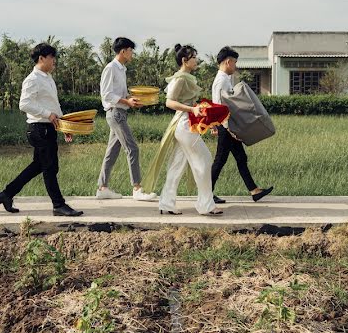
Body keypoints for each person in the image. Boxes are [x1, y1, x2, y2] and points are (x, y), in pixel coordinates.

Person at [0, 42, 83, 217]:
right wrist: (47, 114)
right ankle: (58, 205)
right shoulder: (32, 80)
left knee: (38, 166)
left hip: (48, 128)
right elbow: (24, 104)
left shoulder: (48, 78)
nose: (54, 61)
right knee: (50, 167)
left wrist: (65, 125)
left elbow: (54, 105)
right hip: (38, 129)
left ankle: (6, 194)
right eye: (52, 57)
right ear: (41, 58)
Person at [142, 44, 222, 216]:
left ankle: (166, 203)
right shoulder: (180, 78)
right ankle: (206, 204)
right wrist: (192, 110)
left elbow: (190, 105)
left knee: (177, 165)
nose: (196, 60)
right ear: (185, 60)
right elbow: (169, 102)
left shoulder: (186, 77)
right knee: (205, 160)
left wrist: (202, 113)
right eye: (194, 57)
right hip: (184, 125)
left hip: (186, 123)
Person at [95, 37, 157, 202]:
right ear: (123, 51)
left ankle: (102, 188)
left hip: (120, 112)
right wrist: (126, 101)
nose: (132, 54)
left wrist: (131, 100)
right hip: (115, 113)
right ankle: (137, 188)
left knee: (112, 152)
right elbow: (107, 95)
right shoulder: (110, 68)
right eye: (131, 51)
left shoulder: (122, 69)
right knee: (133, 149)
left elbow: (121, 94)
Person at [209, 46, 273, 204]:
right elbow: (218, 105)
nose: (236, 66)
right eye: (235, 62)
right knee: (220, 160)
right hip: (227, 128)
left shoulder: (225, 79)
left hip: (228, 126)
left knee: (240, 158)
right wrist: (224, 127)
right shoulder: (221, 80)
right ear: (228, 62)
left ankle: (254, 191)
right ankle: (206, 194)